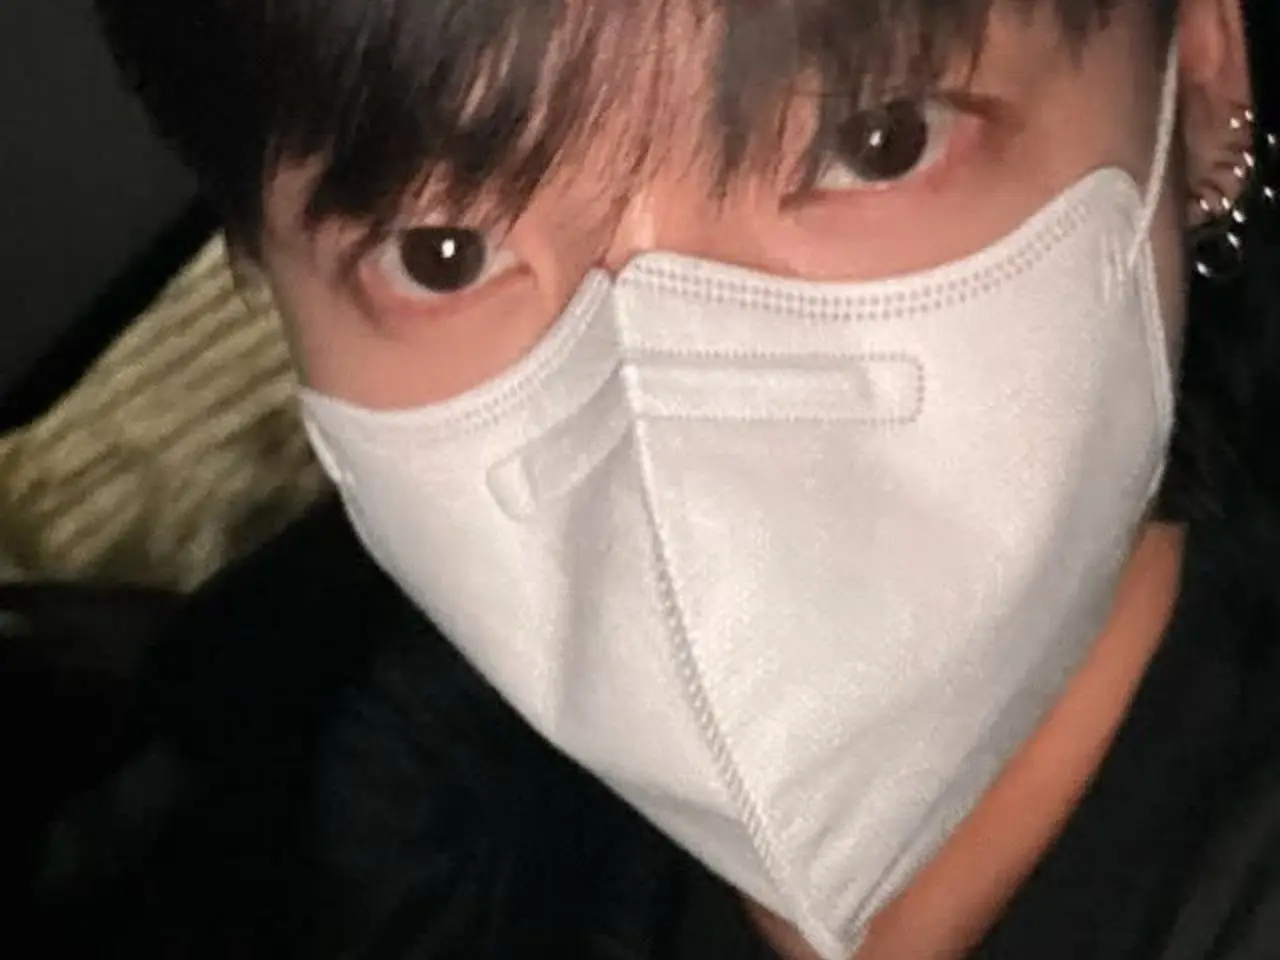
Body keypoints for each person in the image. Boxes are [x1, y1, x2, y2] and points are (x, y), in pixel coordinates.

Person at [50, 0, 1280, 956]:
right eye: (443, 253)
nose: (659, 401)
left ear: (1198, 66)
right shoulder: (362, 825)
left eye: (875, 140)